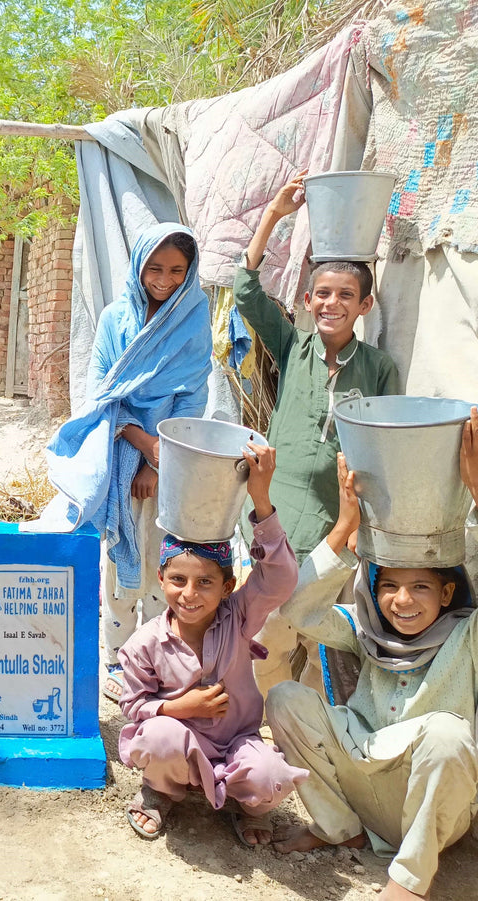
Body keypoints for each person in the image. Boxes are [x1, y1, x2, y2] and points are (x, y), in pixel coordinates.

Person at [267, 409, 478, 901]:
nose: (403, 601)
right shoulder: (365, 628)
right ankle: (341, 827)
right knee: (284, 697)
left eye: (421, 587)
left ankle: (409, 881)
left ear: (447, 594)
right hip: (365, 785)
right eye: (391, 587)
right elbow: (299, 610)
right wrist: (344, 528)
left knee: (449, 733)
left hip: (432, 804)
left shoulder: (466, 635)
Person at [235, 172, 399, 697]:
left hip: (334, 523)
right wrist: (274, 216)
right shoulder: (293, 348)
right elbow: (245, 291)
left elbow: (384, 448)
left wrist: (361, 522)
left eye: (345, 295)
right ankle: (261, 726)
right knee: (266, 635)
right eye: (322, 294)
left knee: (319, 634)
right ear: (307, 300)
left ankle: (311, 727)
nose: (332, 304)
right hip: (273, 516)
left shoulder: (378, 368)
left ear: (364, 306)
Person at [35, 224, 212, 703]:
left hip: (175, 457)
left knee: (165, 562)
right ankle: (116, 659)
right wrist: (138, 444)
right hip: (119, 452)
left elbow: (193, 393)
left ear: (189, 272)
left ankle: (156, 660)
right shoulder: (116, 319)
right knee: (120, 555)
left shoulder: (194, 316)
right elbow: (102, 393)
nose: (164, 279)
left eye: (177, 270)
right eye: (154, 268)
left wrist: (161, 458)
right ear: (137, 267)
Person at [118, 443, 307, 844]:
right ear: (161, 578)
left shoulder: (239, 616)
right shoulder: (144, 643)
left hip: (237, 741)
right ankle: (162, 790)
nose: (189, 594)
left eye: (205, 582)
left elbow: (281, 580)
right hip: (180, 743)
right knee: (157, 737)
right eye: (178, 580)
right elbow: (133, 707)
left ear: (228, 587)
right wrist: (177, 707)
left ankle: (246, 803)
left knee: (271, 778)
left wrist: (260, 498)